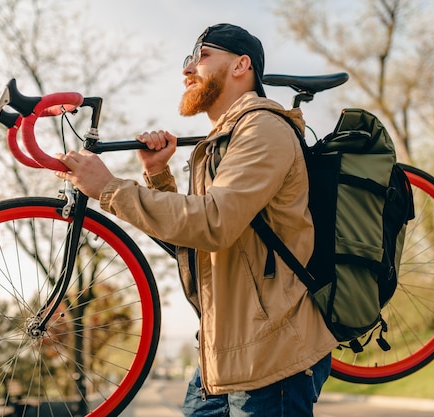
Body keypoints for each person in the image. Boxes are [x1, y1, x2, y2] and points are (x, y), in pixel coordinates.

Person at [55, 23, 337, 417]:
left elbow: (213, 224)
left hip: (272, 361)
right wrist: (157, 176)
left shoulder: (263, 128)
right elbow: (197, 244)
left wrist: (110, 188)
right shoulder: (223, 141)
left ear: (241, 66)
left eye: (201, 56)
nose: (187, 69)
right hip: (222, 356)